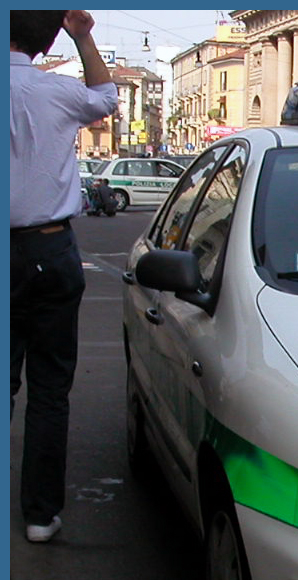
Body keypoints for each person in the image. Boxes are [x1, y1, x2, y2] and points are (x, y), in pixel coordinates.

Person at [11, 10, 118, 542]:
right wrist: (84, 36)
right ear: (48, 36)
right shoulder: (55, 91)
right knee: (49, 390)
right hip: (50, 250)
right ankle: (38, 514)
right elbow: (106, 98)